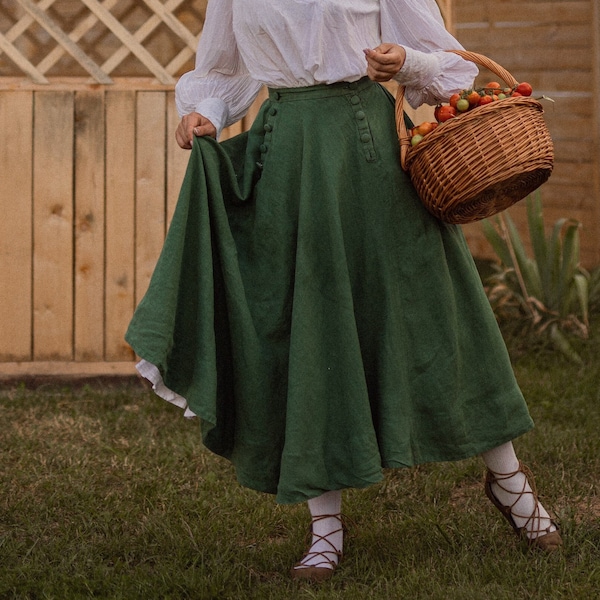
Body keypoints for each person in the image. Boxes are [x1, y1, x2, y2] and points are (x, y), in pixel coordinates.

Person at [125, 0, 562, 583]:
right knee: (309, 326)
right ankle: (324, 526)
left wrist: (405, 61)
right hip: (287, 163)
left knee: (439, 313)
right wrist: (205, 112)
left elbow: (453, 68)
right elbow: (226, 70)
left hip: (373, 155)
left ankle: (508, 480)